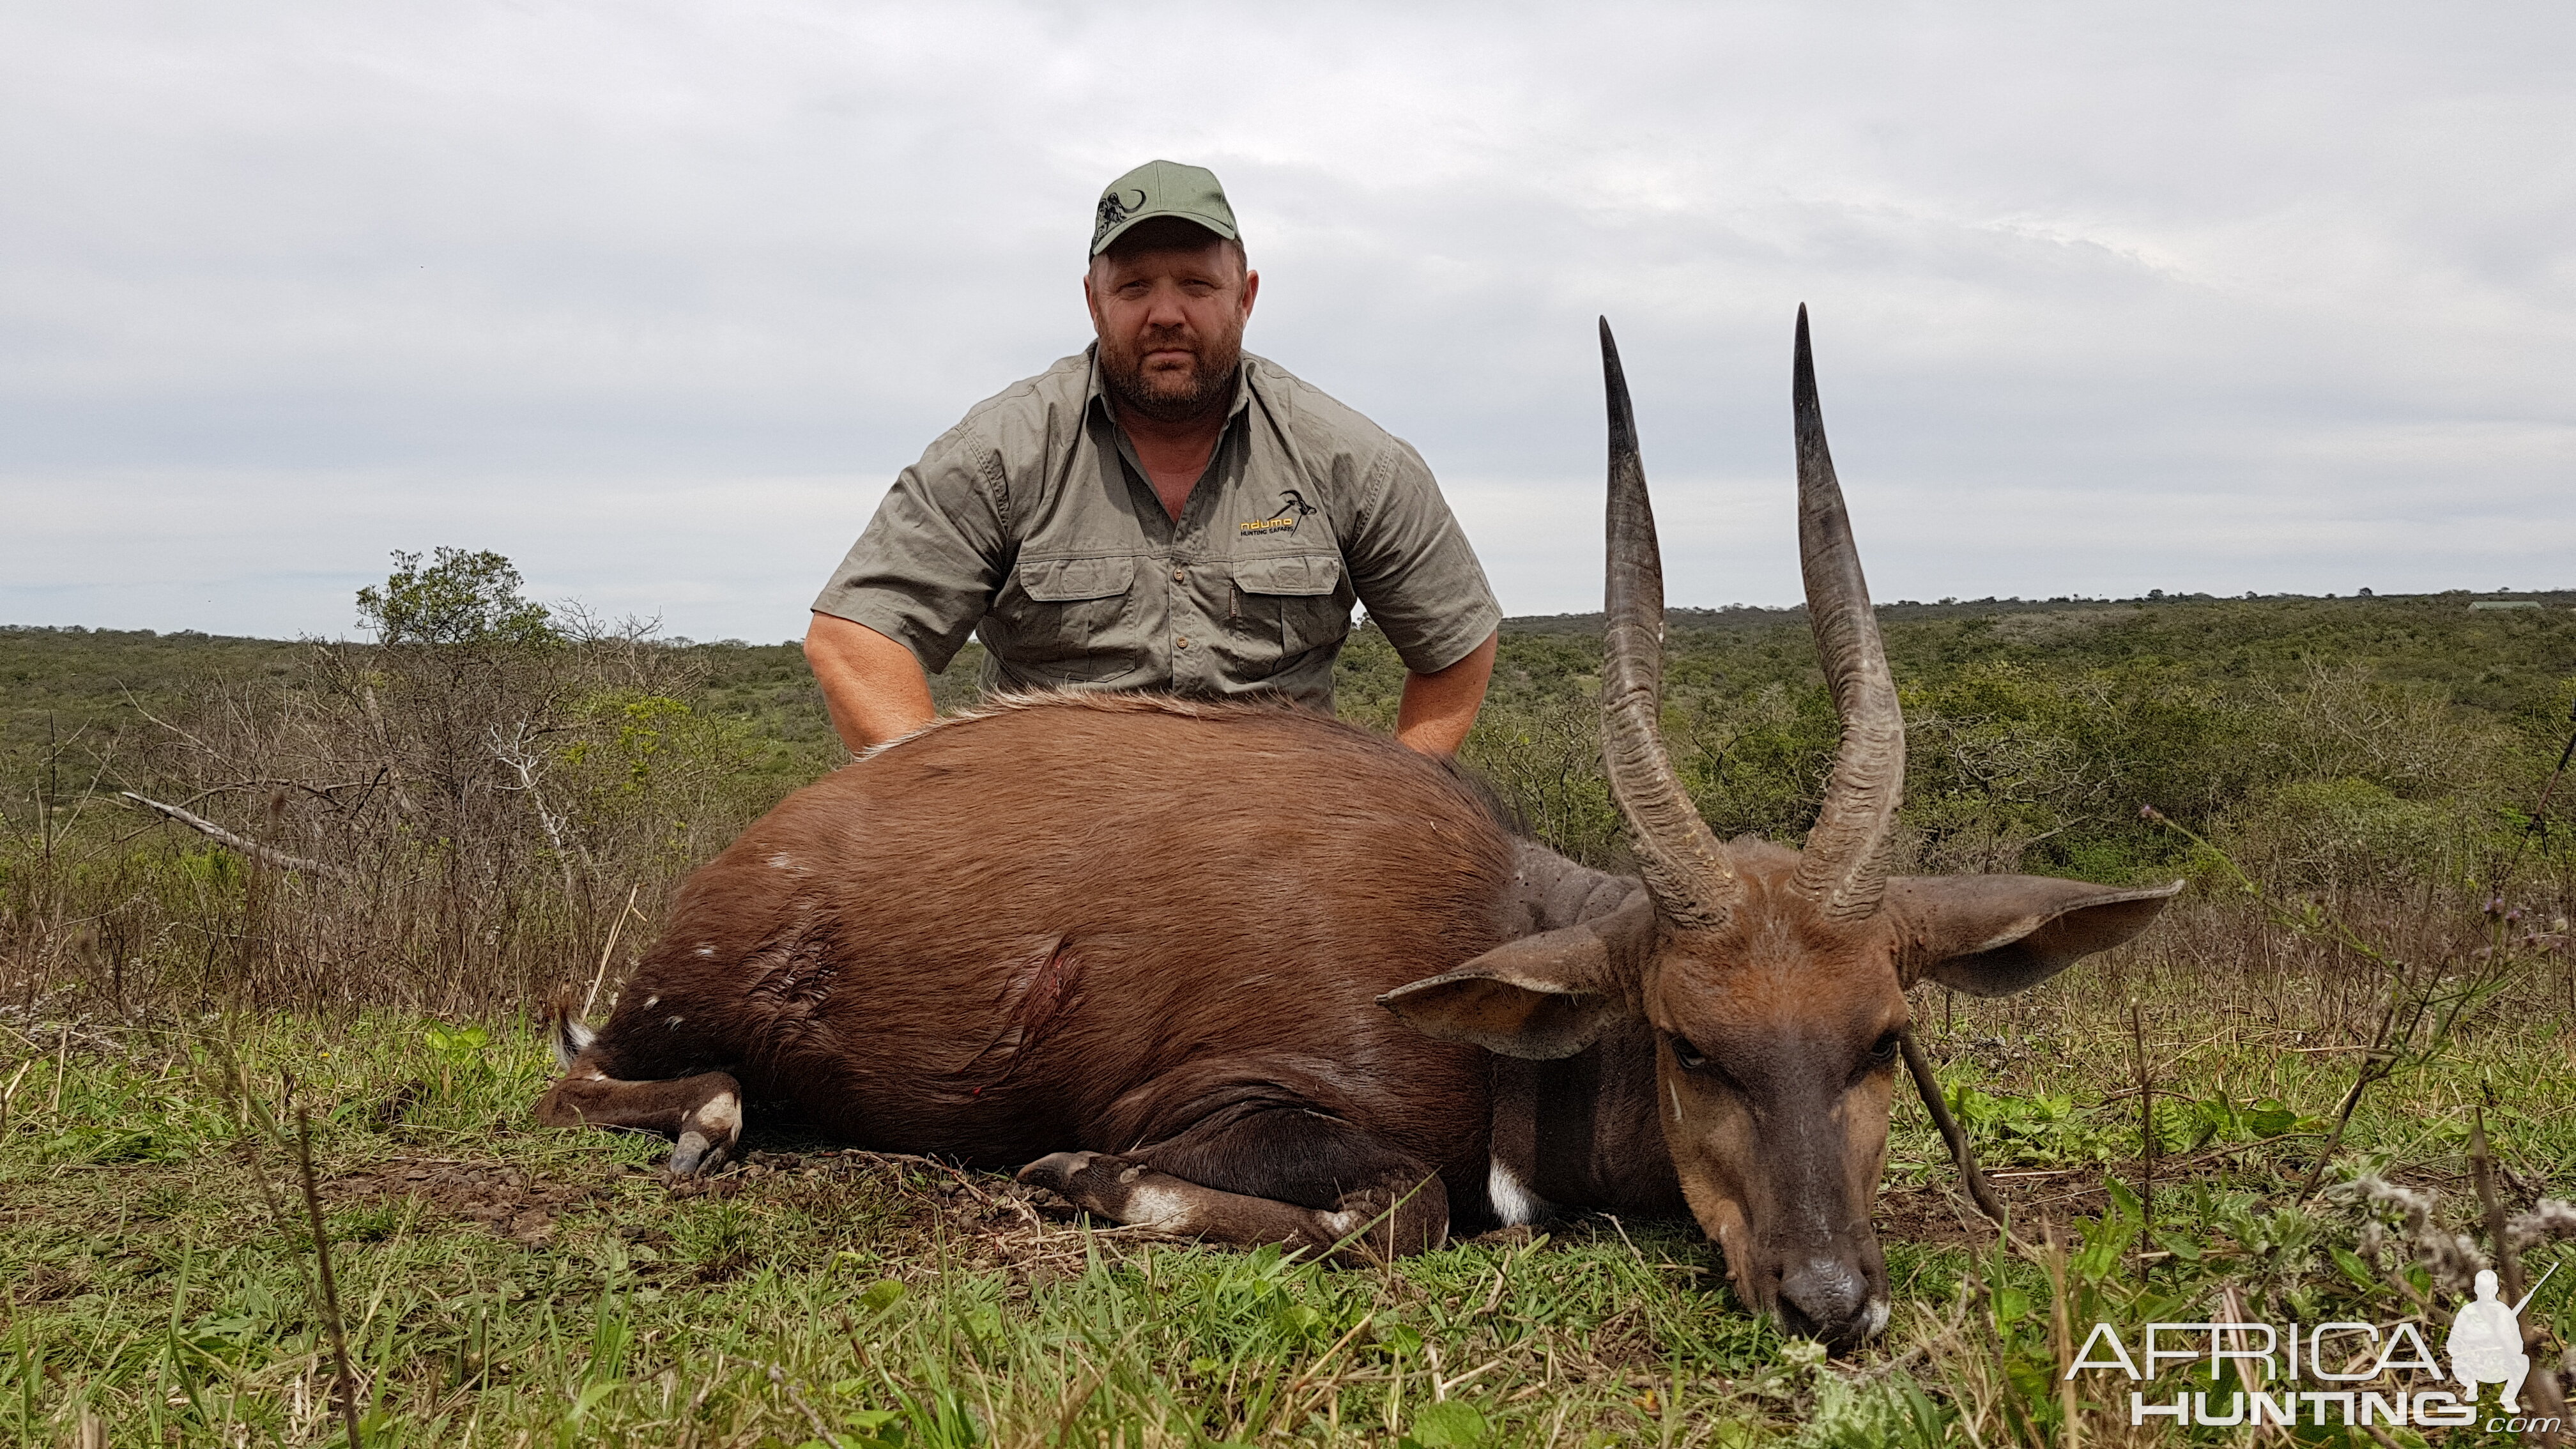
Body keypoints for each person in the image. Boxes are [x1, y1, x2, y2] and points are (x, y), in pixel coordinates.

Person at [806, 160, 1501, 755]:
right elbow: (853, 639)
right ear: (1093, 301)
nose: (1166, 313)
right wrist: (954, 824)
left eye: (1197, 286)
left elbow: (1458, 646)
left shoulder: (1351, 459)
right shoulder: (1001, 453)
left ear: (1246, 297)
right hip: (1056, 856)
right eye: (1134, 286)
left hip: (1282, 860)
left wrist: (1393, 804)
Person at [2448, 1268, 2530, 1411]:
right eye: (2483, 1289)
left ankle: (2508, 1397)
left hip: (2499, 1363)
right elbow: (2453, 1343)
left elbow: (2519, 1344)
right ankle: (2472, 1390)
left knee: (2523, 1361)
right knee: (2459, 1363)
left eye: (2491, 1288)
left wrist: (2505, 1342)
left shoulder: (2504, 1312)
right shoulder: (2468, 1311)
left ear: (2496, 1289)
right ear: (2476, 1290)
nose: (2488, 1292)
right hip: (2473, 1364)